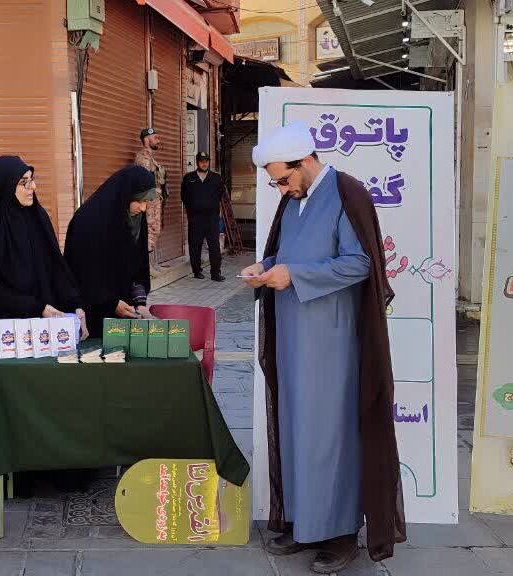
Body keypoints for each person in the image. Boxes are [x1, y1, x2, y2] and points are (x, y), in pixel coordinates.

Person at [242, 121, 405, 573]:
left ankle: (340, 533)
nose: (280, 187)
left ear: (306, 161)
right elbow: (294, 255)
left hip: (333, 341)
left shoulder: (346, 193)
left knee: (331, 433)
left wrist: (294, 276)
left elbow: (360, 263)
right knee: (297, 428)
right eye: (274, 180)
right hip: (294, 336)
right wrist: (268, 265)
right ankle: (305, 522)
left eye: (282, 177)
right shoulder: (294, 201)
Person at [0, 156, 87, 381]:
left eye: (32, 180)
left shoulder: (37, 217)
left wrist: (76, 305)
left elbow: (55, 266)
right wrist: (36, 307)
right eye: (24, 182)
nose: (33, 187)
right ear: (4, 186)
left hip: (41, 323)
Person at [64, 165, 156, 336]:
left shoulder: (134, 219)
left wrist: (140, 303)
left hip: (125, 315)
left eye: (147, 202)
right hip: (93, 316)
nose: (143, 208)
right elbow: (82, 274)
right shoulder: (87, 222)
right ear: (125, 195)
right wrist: (111, 304)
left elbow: (138, 266)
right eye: (140, 201)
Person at [181, 151, 226, 281]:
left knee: (214, 247)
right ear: (197, 162)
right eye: (201, 161)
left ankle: (215, 273)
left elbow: (220, 195)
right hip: (195, 219)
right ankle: (196, 271)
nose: (204, 163)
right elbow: (184, 196)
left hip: (211, 218)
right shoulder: (189, 178)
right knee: (195, 245)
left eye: (206, 161)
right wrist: (191, 210)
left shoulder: (216, 178)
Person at [134, 127, 167, 273]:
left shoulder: (150, 157)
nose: (158, 140)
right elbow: (143, 181)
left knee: (155, 230)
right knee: (149, 231)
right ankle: (146, 268)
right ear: (147, 139)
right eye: (155, 137)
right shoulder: (143, 158)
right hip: (148, 201)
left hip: (154, 200)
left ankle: (152, 264)